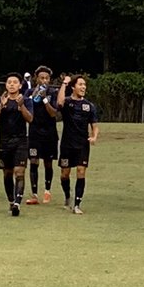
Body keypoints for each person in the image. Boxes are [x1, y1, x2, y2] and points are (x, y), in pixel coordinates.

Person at [0, 72, 34, 216]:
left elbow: (30, 119)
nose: (12, 84)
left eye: (15, 82)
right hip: (4, 142)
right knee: (7, 173)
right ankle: (11, 200)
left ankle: (17, 203)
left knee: (19, 171)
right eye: (9, 82)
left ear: (20, 85)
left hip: (21, 141)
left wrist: (22, 107)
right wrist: (1, 107)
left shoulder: (26, 100)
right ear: (6, 85)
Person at [57, 74, 99, 214]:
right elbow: (60, 102)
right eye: (80, 84)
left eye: (84, 85)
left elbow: (94, 124)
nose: (83, 87)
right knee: (65, 174)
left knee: (81, 172)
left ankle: (77, 204)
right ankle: (67, 196)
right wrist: (64, 83)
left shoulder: (89, 105)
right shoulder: (67, 102)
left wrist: (94, 136)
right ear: (73, 87)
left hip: (82, 145)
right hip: (67, 145)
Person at [27, 67, 60, 204]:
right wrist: (34, 96)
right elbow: (26, 110)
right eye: (42, 78)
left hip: (50, 133)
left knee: (48, 163)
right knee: (34, 161)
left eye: (47, 78)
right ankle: (34, 195)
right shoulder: (30, 92)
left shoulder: (53, 93)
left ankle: (47, 191)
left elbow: (54, 113)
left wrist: (45, 99)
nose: (44, 80)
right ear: (36, 78)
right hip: (34, 133)